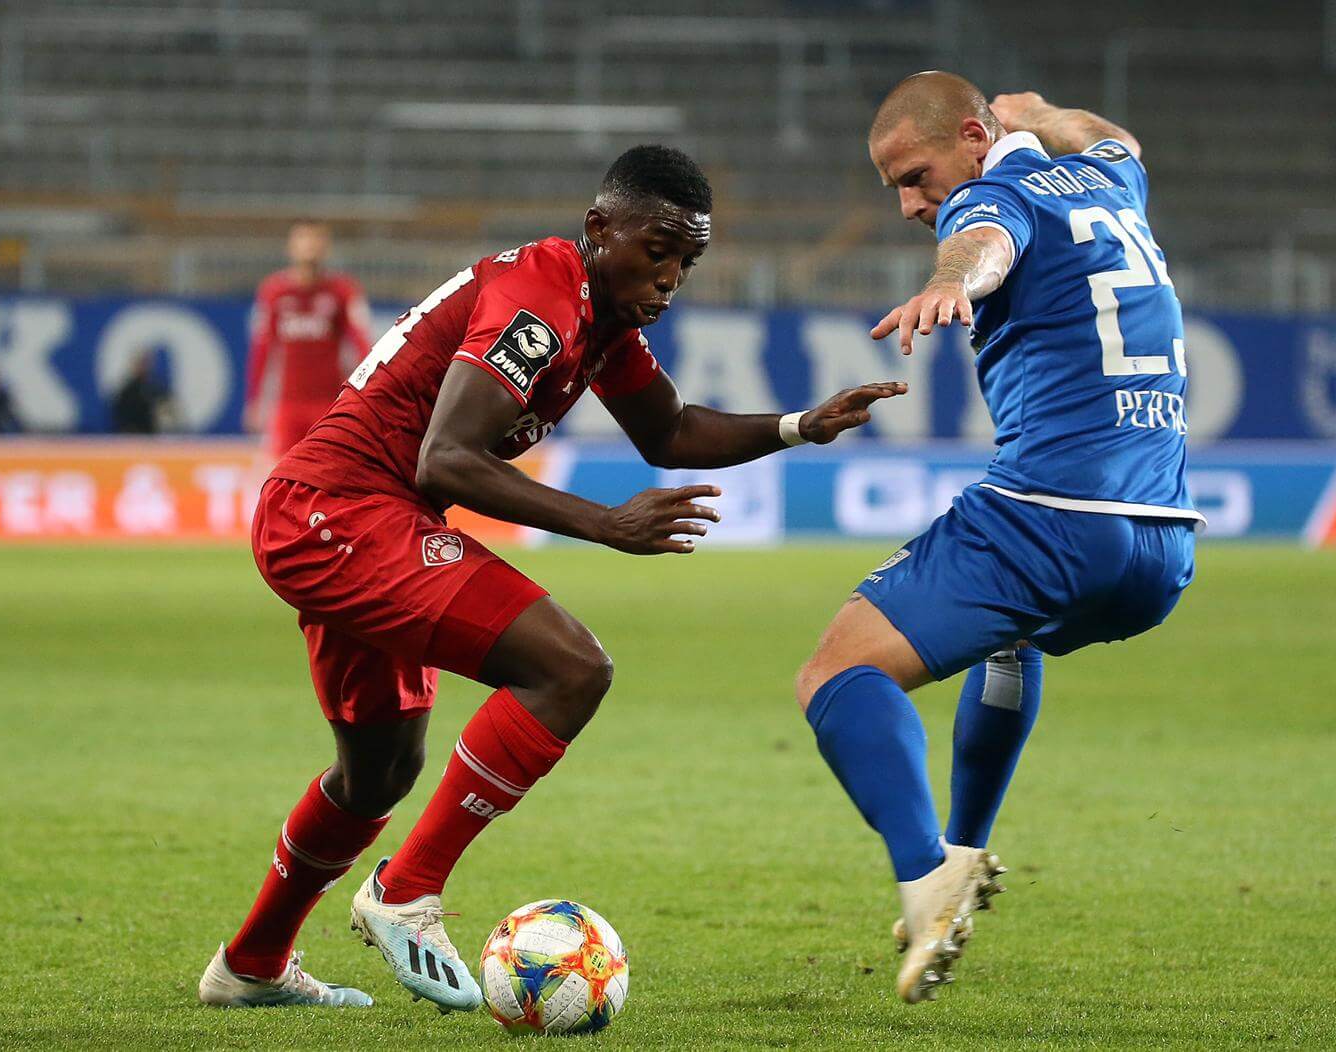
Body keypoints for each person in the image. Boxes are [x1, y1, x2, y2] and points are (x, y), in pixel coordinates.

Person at [199, 145, 906, 1011]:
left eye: (689, 261)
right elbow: (449, 457)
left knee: (379, 771)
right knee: (571, 667)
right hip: (339, 510)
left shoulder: (601, 320)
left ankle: (251, 965)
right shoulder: (539, 294)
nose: (671, 277)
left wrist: (800, 425)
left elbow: (672, 430)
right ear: (600, 229)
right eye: (659, 251)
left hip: (352, 515)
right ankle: (405, 891)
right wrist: (604, 524)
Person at [792, 74, 1203, 1003]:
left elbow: (984, 244)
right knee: (1008, 637)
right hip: (1161, 548)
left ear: (976, 138)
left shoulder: (988, 195)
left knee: (835, 674)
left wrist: (948, 281)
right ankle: (966, 851)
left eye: (914, 175)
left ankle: (924, 871)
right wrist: (1048, 117)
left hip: (1050, 517)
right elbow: (1122, 136)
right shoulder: (1107, 181)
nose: (908, 203)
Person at [243, 220, 372, 460]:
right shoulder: (274, 292)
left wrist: (367, 393)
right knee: (281, 473)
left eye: (316, 239)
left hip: (330, 401)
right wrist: (255, 399)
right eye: (303, 239)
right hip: (288, 404)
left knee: (329, 468)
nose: (309, 246)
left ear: (326, 247)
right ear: (290, 247)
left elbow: (362, 343)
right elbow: (262, 348)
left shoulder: (343, 291)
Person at [109, 351, 173, 434]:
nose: (143, 366)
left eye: (146, 363)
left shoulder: (156, 388)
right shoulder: (127, 392)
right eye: (140, 363)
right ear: (133, 365)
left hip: (153, 439)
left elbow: (168, 413)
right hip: (133, 439)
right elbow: (121, 419)